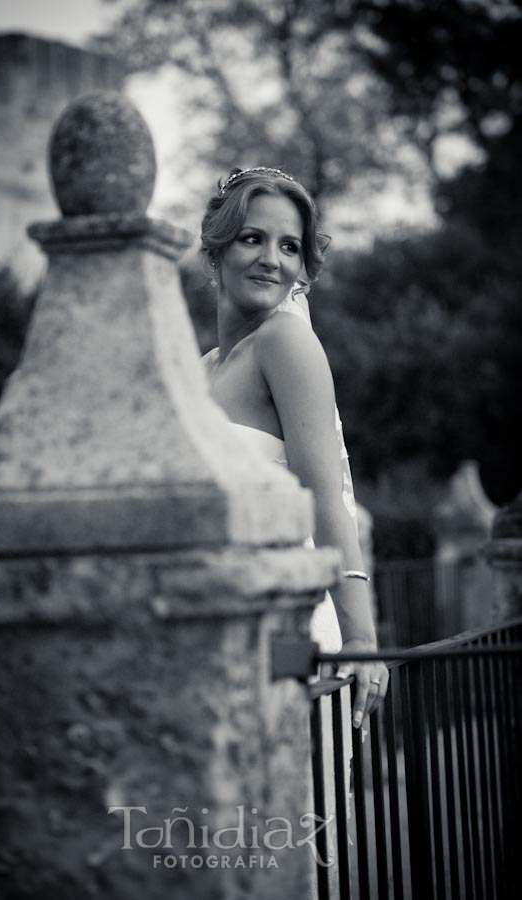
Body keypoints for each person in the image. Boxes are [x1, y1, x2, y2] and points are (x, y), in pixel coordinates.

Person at [200, 166, 388, 728]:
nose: (271, 260)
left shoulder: (286, 342)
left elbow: (327, 497)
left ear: (303, 266)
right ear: (215, 250)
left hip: (291, 634)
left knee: (292, 805)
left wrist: (358, 635)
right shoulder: (203, 370)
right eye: (252, 238)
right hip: (220, 629)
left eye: (289, 246)